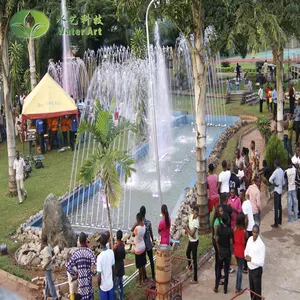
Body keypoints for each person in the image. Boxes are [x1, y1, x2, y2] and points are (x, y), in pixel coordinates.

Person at [66, 232, 96, 300]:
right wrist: (90, 272)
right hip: (88, 284)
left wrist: (75, 273)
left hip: (80, 285)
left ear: (79, 241)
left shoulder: (76, 253)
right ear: (86, 241)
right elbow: (94, 271)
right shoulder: (90, 253)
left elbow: (68, 266)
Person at [245, 225, 266, 300]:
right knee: (252, 291)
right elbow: (246, 250)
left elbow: (261, 262)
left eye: (256, 233)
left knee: (257, 293)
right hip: (250, 269)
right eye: (253, 232)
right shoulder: (250, 239)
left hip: (256, 271)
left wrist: (251, 260)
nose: (254, 234)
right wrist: (246, 256)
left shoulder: (261, 245)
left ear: (258, 233)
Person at [214, 213, 233, 294]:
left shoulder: (219, 229)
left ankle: (216, 286)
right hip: (227, 252)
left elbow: (216, 240)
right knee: (226, 271)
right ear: (228, 220)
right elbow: (231, 243)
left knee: (218, 269)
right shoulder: (229, 231)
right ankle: (225, 289)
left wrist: (218, 248)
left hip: (221, 252)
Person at [97, 233, 115, 300]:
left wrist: (99, 285)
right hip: (110, 284)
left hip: (103, 287)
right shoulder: (111, 252)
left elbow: (99, 276)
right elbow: (113, 269)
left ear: (100, 244)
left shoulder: (99, 257)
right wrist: (113, 280)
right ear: (107, 241)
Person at [184, 206, 199, 284]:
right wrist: (190, 233)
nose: (195, 215)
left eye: (197, 214)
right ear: (193, 212)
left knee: (195, 259)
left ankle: (195, 279)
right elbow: (191, 233)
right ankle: (190, 266)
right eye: (195, 213)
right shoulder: (190, 217)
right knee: (187, 253)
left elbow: (192, 233)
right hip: (191, 240)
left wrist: (187, 229)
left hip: (194, 242)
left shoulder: (196, 222)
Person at [233, 213, 248, 293]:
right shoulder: (244, 231)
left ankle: (237, 287)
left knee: (238, 267)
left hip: (236, 250)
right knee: (240, 270)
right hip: (241, 251)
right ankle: (238, 288)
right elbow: (245, 240)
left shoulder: (235, 229)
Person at [140, 206, 155, 280]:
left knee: (143, 262)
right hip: (148, 244)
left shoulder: (139, 224)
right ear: (145, 213)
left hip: (142, 245)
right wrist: (153, 240)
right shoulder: (148, 222)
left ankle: (144, 277)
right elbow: (151, 233)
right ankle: (153, 275)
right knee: (151, 260)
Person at [269, 159, 285, 228]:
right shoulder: (282, 171)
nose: (273, 165)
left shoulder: (275, 172)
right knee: (279, 206)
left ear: (276, 164)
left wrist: (274, 184)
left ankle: (276, 223)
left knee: (276, 207)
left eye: (274, 164)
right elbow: (284, 182)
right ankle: (280, 220)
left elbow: (270, 180)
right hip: (280, 190)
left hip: (276, 190)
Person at [41, 235, 58, 300]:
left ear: (43, 241)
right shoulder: (49, 246)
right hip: (50, 266)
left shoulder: (45, 249)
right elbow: (53, 253)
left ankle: (55, 297)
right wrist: (51, 257)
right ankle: (47, 294)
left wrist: (44, 266)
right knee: (48, 280)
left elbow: (49, 259)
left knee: (50, 283)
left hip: (47, 268)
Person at [242, 189, 255, 273]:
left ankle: (246, 267)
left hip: (249, 228)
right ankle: (252, 264)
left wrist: (245, 229)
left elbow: (246, 219)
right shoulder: (248, 202)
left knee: (246, 248)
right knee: (251, 246)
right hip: (252, 226)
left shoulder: (244, 205)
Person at [212, 206, 224, 288]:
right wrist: (219, 249)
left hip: (219, 242)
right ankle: (218, 278)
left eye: (222, 211)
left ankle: (219, 275)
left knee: (219, 262)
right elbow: (216, 237)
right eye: (220, 211)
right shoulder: (216, 222)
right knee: (218, 262)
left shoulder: (220, 219)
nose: (222, 212)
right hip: (217, 243)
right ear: (217, 213)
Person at [133, 212, 146, 285]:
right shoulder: (144, 226)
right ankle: (144, 280)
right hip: (143, 246)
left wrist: (135, 224)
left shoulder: (137, 228)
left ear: (138, 219)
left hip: (138, 249)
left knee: (140, 267)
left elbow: (132, 231)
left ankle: (140, 281)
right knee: (143, 264)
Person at [284, 158, 298, 223]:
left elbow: (285, 182)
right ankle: (296, 218)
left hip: (289, 189)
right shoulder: (295, 170)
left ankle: (290, 219)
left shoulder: (286, 171)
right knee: (295, 203)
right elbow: (297, 179)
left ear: (287, 163)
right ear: (291, 162)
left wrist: (286, 188)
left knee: (289, 205)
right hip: (294, 188)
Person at [114, 230, 125, 300]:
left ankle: (116, 297)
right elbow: (124, 256)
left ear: (116, 237)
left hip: (117, 268)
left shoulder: (116, 247)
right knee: (121, 284)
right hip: (121, 265)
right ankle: (121, 297)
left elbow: (114, 258)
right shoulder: (122, 245)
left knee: (116, 284)